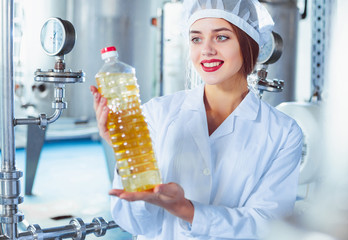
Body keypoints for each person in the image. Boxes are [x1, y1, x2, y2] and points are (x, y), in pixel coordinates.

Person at [90, 0, 303, 239]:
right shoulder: (158, 113)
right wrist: (126, 151)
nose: (206, 50)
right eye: (196, 39)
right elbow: (138, 225)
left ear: (249, 44)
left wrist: (189, 212)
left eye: (221, 37)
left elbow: (269, 226)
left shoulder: (283, 133)